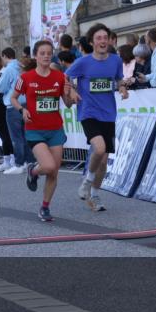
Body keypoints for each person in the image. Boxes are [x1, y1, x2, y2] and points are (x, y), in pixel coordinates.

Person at [65, 24, 129, 212]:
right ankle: (87, 181)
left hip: (108, 114)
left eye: (105, 38)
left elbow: (118, 79)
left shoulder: (116, 60)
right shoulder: (83, 62)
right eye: (98, 38)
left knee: (103, 163)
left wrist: (123, 88)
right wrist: (74, 91)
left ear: (109, 40)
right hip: (88, 112)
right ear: (92, 42)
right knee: (99, 148)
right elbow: (65, 78)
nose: (102, 41)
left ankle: (94, 194)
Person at [12, 40, 73, 222]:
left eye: (49, 53)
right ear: (36, 56)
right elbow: (13, 98)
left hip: (55, 129)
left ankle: (45, 207)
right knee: (48, 166)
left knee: (54, 173)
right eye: (42, 53)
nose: (46, 56)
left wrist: (69, 94)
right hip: (34, 130)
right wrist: (22, 110)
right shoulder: (26, 78)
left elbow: (68, 104)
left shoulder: (59, 77)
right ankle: (32, 171)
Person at [0, 46, 31, 175]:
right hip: (26, 103)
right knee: (26, 135)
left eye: (2, 58)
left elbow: (1, 87)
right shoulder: (21, 66)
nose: (2, 60)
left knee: (16, 137)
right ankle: (28, 162)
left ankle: (19, 164)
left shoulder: (9, 69)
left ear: (5, 56)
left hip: (13, 104)